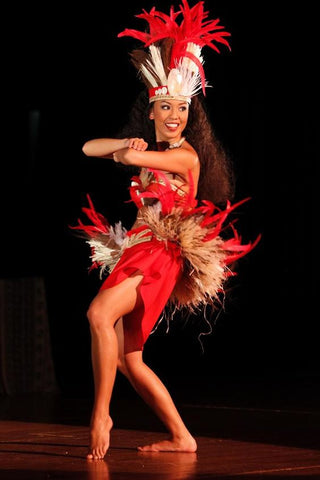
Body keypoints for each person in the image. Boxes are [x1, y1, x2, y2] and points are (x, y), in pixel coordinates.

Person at [73, 0, 259, 460]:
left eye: (181, 108)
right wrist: (123, 142)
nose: (174, 115)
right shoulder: (149, 146)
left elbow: (133, 160)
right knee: (128, 360)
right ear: (152, 111)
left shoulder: (186, 157)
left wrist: (130, 152)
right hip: (137, 251)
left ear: (188, 114)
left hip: (158, 255)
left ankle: (101, 414)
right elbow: (87, 148)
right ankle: (182, 436)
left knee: (99, 315)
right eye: (165, 107)